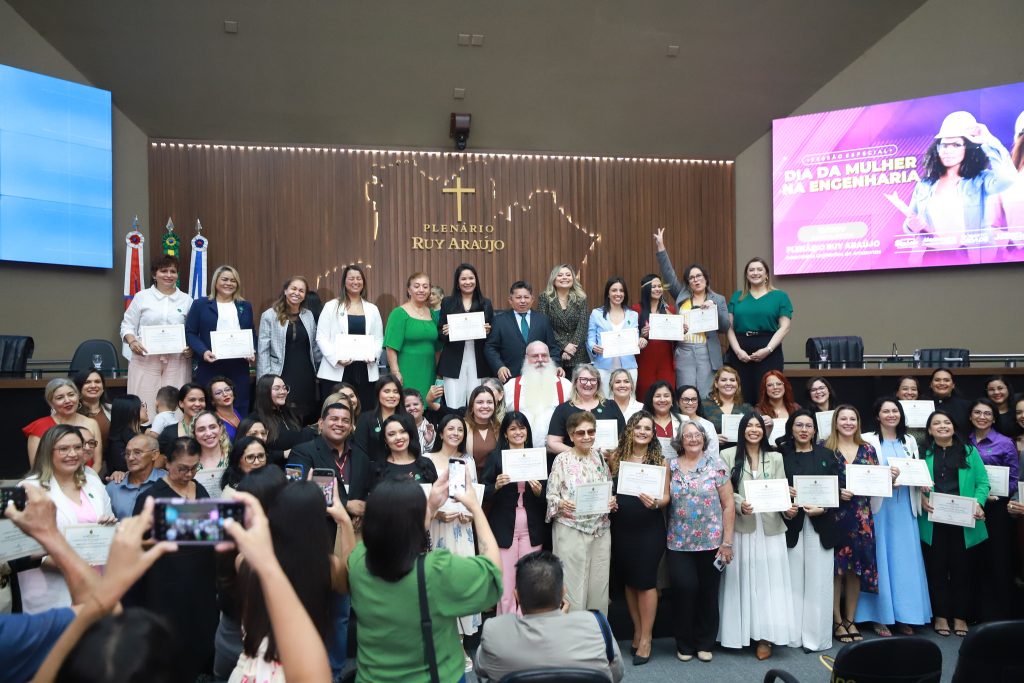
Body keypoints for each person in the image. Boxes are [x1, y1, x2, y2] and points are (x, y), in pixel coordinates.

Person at [345, 475, 502, 683]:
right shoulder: (435, 571)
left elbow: (397, 532)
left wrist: (430, 506)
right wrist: (475, 508)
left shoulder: (358, 561)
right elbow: (493, 575)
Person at [229, 480, 348, 682]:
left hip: (250, 671)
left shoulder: (244, 561)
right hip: (302, 668)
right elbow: (348, 583)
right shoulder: (330, 567)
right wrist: (344, 521)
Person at [128, 436, 219, 678]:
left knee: (202, 639)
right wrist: (163, 534)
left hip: (201, 581)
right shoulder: (151, 497)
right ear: (166, 463)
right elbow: (134, 543)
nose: (189, 474)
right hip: (167, 584)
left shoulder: (198, 488)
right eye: (182, 468)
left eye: (194, 467)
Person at [474, 551, 624, 683]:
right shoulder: (596, 625)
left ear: (516, 595)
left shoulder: (495, 631)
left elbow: (481, 669)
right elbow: (616, 674)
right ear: (563, 591)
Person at [719, 413, 797, 659]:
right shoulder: (727, 455)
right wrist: (741, 503)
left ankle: (766, 638)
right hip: (742, 528)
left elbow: (782, 489)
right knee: (740, 581)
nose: (754, 430)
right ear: (742, 430)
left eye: (758, 426)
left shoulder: (775, 457)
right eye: (749, 426)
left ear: (765, 431)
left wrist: (788, 507)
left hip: (770, 528)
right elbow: (726, 492)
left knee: (768, 583)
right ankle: (738, 634)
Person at [18, 425, 116, 613]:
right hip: (52, 592)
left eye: (78, 447)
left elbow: (109, 522)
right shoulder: (30, 489)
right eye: (63, 449)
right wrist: (74, 563)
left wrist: (108, 528)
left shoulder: (93, 481)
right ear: (47, 452)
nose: (73, 454)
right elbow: (23, 551)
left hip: (95, 587)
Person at [856, 399, 931, 636]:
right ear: (877, 416)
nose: (891, 415)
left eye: (895, 411)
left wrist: (923, 486)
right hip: (879, 508)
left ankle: (904, 615)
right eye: (885, 411)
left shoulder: (909, 441)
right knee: (880, 560)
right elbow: (862, 472)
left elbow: (916, 470)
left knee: (904, 561)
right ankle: (879, 617)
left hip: (904, 509)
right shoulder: (867, 439)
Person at [903, 111, 1016, 266]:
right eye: (944, 145)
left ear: (967, 149)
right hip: (930, 257)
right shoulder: (924, 185)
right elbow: (910, 221)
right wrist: (910, 226)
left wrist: (988, 141)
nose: (948, 150)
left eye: (956, 145)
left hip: (969, 257)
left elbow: (1008, 178)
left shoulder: (980, 181)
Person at [664, 419, 734, 662]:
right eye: (687, 435)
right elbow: (663, 499)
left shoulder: (717, 465)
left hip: (712, 542)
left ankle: (705, 643)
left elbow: (728, 505)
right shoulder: (669, 466)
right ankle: (684, 643)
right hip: (678, 542)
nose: (693, 439)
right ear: (680, 441)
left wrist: (727, 542)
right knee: (684, 590)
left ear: (704, 439)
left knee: (708, 592)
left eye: (697, 435)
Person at [918, 409, 989, 638]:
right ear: (929, 430)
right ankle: (940, 615)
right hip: (933, 520)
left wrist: (978, 503)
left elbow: (983, 483)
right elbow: (914, 484)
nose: (942, 426)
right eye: (936, 423)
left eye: (946, 422)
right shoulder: (922, 453)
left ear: (953, 427)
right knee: (936, 569)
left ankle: (960, 616)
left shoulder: (969, 452)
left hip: (964, 521)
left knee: (962, 570)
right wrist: (921, 497)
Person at [605, 411, 665, 665]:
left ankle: (647, 637)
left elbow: (666, 498)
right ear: (630, 430)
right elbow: (608, 488)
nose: (642, 431)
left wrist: (656, 503)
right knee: (629, 582)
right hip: (621, 529)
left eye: (648, 429)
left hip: (649, 530)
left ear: (653, 434)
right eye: (638, 427)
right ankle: (638, 630)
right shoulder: (616, 458)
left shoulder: (660, 461)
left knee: (646, 582)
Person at [779, 410, 839, 652]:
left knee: (820, 581)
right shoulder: (781, 457)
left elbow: (837, 489)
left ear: (815, 430)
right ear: (791, 429)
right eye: (798, 425)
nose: (804, 430)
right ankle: (792, 636)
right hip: (791, 523)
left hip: (820, 523)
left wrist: (822, 507)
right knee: (792, 581)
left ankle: (817, 638)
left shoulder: (827, 455)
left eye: (808, 426)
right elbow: (773, 488)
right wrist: (786, 501)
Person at [545, 411, 616, 613]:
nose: (586, 437)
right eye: (580, 433)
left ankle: (596, 639)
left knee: (599, 589)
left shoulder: (600, 459)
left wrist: (611, 501)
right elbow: (550, 496)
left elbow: (607, 487)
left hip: (600, 532)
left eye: (591, 432)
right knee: (572, 590)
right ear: (571, 435)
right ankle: (573, 640)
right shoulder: (562, 460)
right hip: (571, 530)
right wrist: (561, 503)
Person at [425, 415, 482, 666]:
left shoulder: (468, 460)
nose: (456, 433)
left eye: (460, 429)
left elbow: (474, 493)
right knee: (439, 583)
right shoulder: (427, 460)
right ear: (440, 432)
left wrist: (470, 513)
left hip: (463, 529)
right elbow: (424, 497)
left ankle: (459, 644)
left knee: (462, 583)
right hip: (437, 528)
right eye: (451, 428)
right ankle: (440, 643)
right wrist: (437, 513)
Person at [654, 228, 730, 398]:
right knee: (685, 395)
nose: (696, 280)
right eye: (692, 277)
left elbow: (725, 326)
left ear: (706, 278)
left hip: (706, 351)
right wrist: (661, 247)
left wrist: (713, 309)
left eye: (699, 276)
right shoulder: (682, 295)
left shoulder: (717, 299)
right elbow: (668, 275)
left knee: (705, 396)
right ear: (688, 282)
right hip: (685, 351)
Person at [481, 412, 545, 616]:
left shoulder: (537, 457)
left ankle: (529, 629)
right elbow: (482, 491)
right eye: (513, 429)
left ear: (527, 431)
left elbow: (549, 496)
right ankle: (507, 631)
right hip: (504, 528)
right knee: (506, 585)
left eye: (522, 428)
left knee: (529, 582)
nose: (518, 432)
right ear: (506, 434)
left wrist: (538, 491)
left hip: (532, 528)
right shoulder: (496, 457)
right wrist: (496, 486)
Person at [828, 405, 881, 643]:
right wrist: (836, 492)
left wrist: (890, 478)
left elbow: (877, 483)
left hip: (862, 517)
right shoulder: (825, 448)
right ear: (835, 422)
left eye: (853, 418)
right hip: (835, 516)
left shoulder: (868, 449)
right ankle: (837, 620)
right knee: (836, 571)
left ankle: (850, 619)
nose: (848, 422)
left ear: (858, 422)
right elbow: (816, 483)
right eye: (843, 419)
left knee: (856, 570)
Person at [120, 254, 193, 413]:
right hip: (145, 360)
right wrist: (132, 342)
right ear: (154, 274)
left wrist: (191, 348)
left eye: (173, 271)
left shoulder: (187, 300)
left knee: (176, 407)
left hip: (177, 361)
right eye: (163, 271)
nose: (168, 275)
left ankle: (174, 436)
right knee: (143, 406)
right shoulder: (142, 297)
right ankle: (146, 436)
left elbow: (192, 331)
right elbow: (127, 325)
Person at [966, 397, 1018, 622]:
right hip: (970, 507)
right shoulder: (963, 441)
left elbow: (1014, 476)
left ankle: (1000, 615)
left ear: (994, 418)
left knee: (997, 560)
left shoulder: (1005, 442)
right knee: (973, 560)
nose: (982, 417)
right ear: (970, 416)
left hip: (996, 508)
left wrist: (999, 493)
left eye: (987, 413)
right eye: (977, 412)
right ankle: (975, 612)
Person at [185, 265, 257, 415]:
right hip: (210, 363)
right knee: (209, 405)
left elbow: (251, 333)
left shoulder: (245, 305)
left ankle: (239, 436)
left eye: (233, 281)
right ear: (215, 282)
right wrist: (203, 351)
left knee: (239, 403)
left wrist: (252, 350)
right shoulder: (201, 304)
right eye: (224, 279)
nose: (228, 283)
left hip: (238, 364)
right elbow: (190, 332)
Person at [316, 264, 384, 413]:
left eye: (359, 278)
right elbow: (321, 337)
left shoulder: (372, 309)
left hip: (365, 369)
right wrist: (336, 358)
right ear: (344, 282)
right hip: (337, 369)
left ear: (363, 282)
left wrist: (374, 355)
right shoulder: (331, 306)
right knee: (336, 411)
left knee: (364, 411)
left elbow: (379, 338)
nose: (355, 282)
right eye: (351, 278)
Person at [726, 257, 792, 401]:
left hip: (769, 350)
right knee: (740, 394)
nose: (755, 273)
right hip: (740, 352)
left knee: (767, 394)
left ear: (766, 274)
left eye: (759, 269)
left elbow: (785, 327)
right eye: (751, 270)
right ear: (746, 275)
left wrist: (767, 349)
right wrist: (738, 351)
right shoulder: (737, 296)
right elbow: (728, 327)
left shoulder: (780, 296)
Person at [257, 276, 321, 423]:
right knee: (284, 412)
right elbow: (263, 350)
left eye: (301, 290)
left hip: (306, 373)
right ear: (285, 290)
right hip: (281, 372)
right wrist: (264, 381)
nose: (296, 293)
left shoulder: (308, 315)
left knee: (306, 413)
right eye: (293, 289)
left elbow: (315, 346)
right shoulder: (269, 315)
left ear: (305, 295)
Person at [290, 402, 368, 518]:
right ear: (321, 423)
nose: (340, 424)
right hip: (317, 527)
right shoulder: (299, 452)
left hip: (352, 531)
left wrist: (362, 514)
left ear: (351, 427)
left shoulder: (361, 457)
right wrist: (346, 505)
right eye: (334, 419)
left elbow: (366, 493)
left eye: (345, 421)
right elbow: (295, 490)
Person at [437, 263, 495, 408]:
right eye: (463, 279)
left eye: (471, 278)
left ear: (476, 281)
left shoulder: (485, 303)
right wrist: (445, 332)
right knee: (453, 404)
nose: (467, 282)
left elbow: (493, 335)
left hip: (479, 360)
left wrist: (489, 331)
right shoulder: (447, 302)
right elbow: (439, 332)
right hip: (453, 360)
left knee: (477, 403)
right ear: (457, 283)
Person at [485, 280, 562, 381]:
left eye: (526, 297)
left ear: (532, 299)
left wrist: (556, 365)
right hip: (510, 377)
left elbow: (553, 348)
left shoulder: (543, 320)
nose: (523, 301)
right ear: (510, 300)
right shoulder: (499, 321)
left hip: (539, 376)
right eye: (518, 297)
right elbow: (490, 348)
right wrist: (499, 367)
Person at [502, 341, 572, 449]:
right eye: (535, 356)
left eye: (544, 355)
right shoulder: (511, 387)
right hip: (522, 454)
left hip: (557, 454)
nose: (540, 359)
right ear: (526, 358)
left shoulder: (565, 386)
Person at [23, 378, 102, 470]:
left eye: (71, 395)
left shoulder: (91, 423)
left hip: (87, 479)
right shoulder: (38, 427)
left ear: (78, 396)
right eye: (60, 398)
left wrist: (86, 482)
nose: (67, 400)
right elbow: (37, 467)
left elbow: (97, 463)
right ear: (51, 403)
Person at [548, 364, 626, 458]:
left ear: (598, 383)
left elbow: (625, 437)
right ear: (575, 382)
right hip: (576, 465)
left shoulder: (611, 405)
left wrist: (614, 453)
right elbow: (553, 442)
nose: (588, 384)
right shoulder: (563, 409)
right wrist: (580, 453)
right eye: (584, 379)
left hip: (608, 463)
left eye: (593, 380)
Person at [384, 271, 440, 398]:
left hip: (429, 370)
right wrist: (395, 371)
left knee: (427, 406)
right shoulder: (399, 313)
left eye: (425, 287)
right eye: (417, 286)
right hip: (406, 370)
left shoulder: (432, 314)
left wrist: (439, 373)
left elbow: (437, 347)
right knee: (409, 406)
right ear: (409, 290)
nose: (421, 290)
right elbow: (390, 346)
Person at [588, 276, 642, 396]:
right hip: (603, 366)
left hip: (628, 366)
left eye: (621, 290)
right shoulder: (596, 314)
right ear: (608, 293)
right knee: (604, 400)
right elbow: (590, 339)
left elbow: (635, 338)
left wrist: (641, 341)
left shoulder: (632, 315)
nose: (618, 294)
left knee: (628, 400)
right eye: (614, 290)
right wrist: (593, 347)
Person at [537, 264, 589, 377]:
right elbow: (544, 326)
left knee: (579, 389)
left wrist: (571, 349)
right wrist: (564, 346)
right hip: (554, 352)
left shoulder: (581, 298)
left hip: (578, 354)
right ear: (554, 279)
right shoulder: (545, 298)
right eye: (560, 275)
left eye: (568, 275)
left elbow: (582, 327)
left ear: (573, 279)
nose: (564, 277)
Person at [633, 273, 677, 402]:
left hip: (666, 359)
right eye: (653, 286)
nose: (658, 289)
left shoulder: (671, 310)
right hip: (645, 359)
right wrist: (641, 334)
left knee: (667, 392)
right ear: (646, 289)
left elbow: (676, 338)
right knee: (645, 393)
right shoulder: (637, 309)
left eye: (659, 286)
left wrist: (682, 330)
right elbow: (631, 337)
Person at [369, 413, 438, 489]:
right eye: (392, 434)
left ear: (409, 434)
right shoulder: (377, 469)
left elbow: (437, 495)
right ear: (385, 440)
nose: (398, 437)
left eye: (403, 432)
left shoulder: (426, 463)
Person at [105, 433, 166, 519]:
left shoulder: (168, 482)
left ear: (154, 455)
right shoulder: (113, 487)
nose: (130, 458)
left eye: (137, 452)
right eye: (127, 453)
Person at [351, 374, 406, 462]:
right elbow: (359, 453)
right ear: (378, 393)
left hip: (402, 470)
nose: (392, 395)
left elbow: (414, 448)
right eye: (387, 391)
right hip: (372, 471)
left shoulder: (407, 418)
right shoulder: (365, 419)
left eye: (396, 392)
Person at [251, 374, 309, 455]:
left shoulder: (288, 413)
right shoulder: (255, 419)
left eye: (284, 388)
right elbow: (255, 454)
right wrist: (284, 454)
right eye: (277, 388)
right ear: (264, 392)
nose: (283, 392)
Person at [701, 366, 755, 449]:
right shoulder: (703, 406)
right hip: (713, 454)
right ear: (716, 384)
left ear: (737, 384)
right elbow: (694, 430)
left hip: (741, 454)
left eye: (732, 380)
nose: (728, 383)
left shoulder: (747, 408)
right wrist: (711, 439)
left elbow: (755, 431)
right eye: (723, 380)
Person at [156, 382, 207, 455]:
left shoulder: (213, 430)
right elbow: (158, 464)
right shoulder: (169, 432)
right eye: (192, 400)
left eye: (202, 400)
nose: (198, 404)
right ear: (181, 403)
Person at [674, 384, 720, 463]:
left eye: (694, 399)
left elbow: (713, 455)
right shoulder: (672, 422)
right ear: (677, 402)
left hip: (703, 470)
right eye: (686, 399)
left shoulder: (707, 425)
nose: (690, 403)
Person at [106, 394, 149, 475]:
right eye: (142, 406)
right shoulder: (117, 443)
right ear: (132, 411)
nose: (146, 409)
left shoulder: (147, 432)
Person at [464, 385, 500, 480]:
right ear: (472, 406)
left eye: (489, 402)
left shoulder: (499, 428)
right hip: (469, 482)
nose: (485, 406)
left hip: (494, 485)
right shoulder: (462, 428)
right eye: (480, 402)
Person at [757, 370, 799, 446]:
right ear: (765, 389)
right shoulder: (758, 410)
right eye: (770, 385)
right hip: (769, 453)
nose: (775, 387)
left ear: (785, 386)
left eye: (779, 384)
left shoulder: (796, 408)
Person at [73, 368, 112, 447]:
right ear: (78, 387)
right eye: (87, 382)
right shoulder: (69, 410)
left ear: (103, 387)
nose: (93, 386)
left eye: (97, 382)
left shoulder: (113, 409)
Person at [929, 368, 972, 435]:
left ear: (953, 385)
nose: (942, 383)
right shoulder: (923, 404)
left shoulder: (967, 406)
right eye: (937, 380)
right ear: (931, 384)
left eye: (946, 380)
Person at [403, 388, 437, 454]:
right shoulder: (399, 428)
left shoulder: (430, 430)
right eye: (407, 406)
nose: (412, 408)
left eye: (415, 404)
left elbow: (434, 456)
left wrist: (430, 442)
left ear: (423, 407)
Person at [207, 376, 242, 440]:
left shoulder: (236, 412)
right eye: (218, 393)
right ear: (212, 400)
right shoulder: (213, 420)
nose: (225, 394)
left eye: (227, 390)